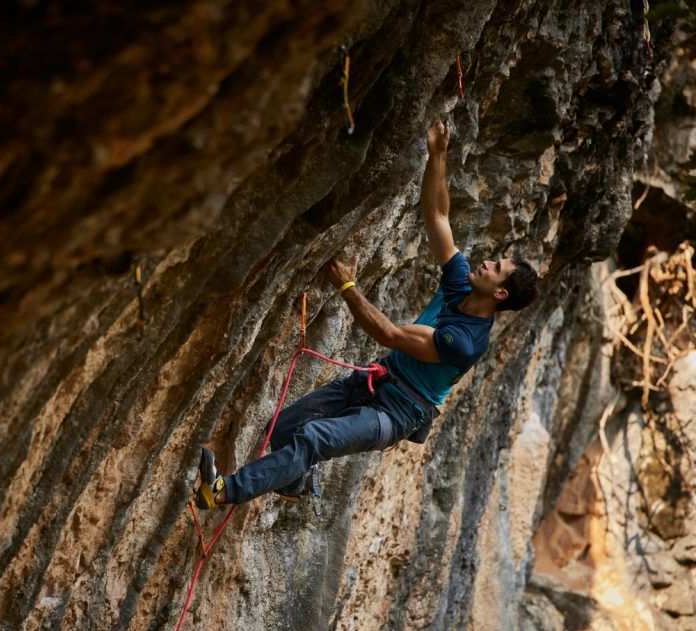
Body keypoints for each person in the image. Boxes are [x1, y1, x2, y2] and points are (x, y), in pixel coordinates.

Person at [194, 121, 540, 509]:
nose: (487, 261)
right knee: (286, 428)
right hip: (375, 382)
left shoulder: (464, 341)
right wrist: (438, 155)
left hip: (397, 412)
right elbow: (439, 217)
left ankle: (221, 492)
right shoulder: (461, 283)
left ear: (499, 293)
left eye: (496, 267)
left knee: (314, 439)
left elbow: (391, 335)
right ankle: (294, 483)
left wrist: (347, 287)